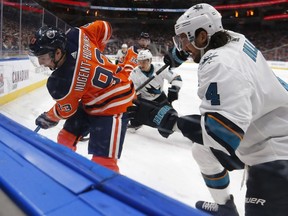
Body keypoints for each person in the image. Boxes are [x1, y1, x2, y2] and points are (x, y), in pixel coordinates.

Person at [127, 3, 288, 216]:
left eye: (184, 38)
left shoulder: (219, 64)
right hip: (267, 123)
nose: (182, 44)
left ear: (202, 36)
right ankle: (226, 208)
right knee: (202, 151)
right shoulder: (232, 38)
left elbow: (223, 134)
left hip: (276, 150)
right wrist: (180, 54)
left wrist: (166, 118)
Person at [29, 20, 135, 173]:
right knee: (65, 138)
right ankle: (67, 173)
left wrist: (49, 117)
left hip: (115, 102)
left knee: (103, 164)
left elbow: (66, 111)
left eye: (43, 58)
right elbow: (104, 27)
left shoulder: (60, 82)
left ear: (57, 53)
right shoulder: (76, 35)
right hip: (94, 99)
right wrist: (95, 52)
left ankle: (103, 194)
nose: (41, 63)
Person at [128, 49, 182, 131]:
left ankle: (188, 130)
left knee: (170, 119)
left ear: (150, 60)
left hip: (160, 98)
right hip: (144, 100)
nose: (141, 64)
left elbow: (176, 78)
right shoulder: (134, 73)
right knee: (135, 118)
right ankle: (137, 121)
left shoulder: (159, 68)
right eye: (139, 61)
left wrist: (175, 89)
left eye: (144, 61)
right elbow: (133, 89)